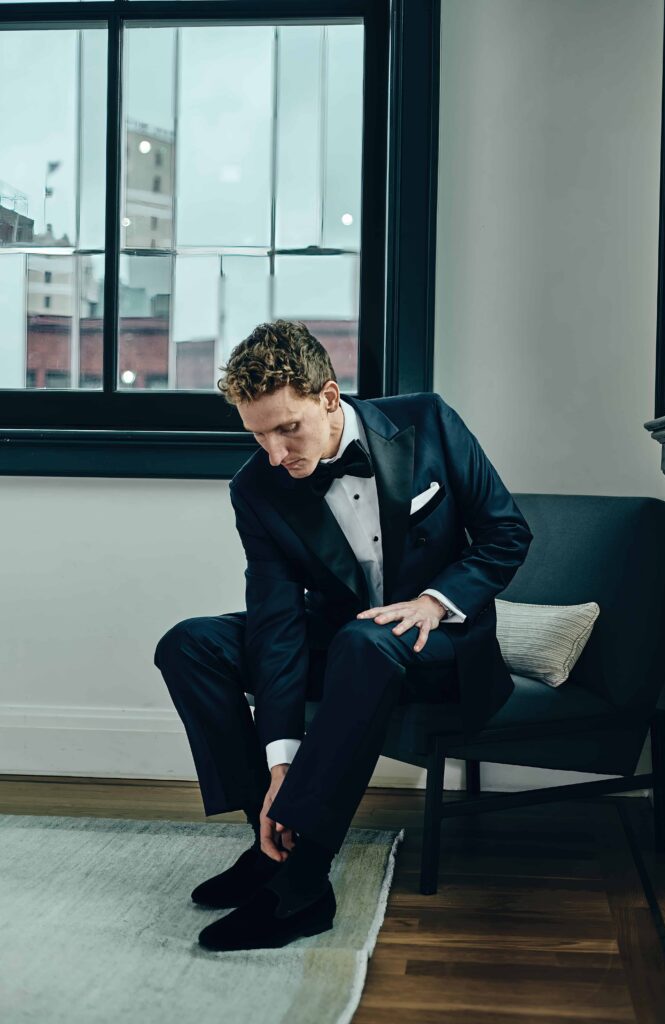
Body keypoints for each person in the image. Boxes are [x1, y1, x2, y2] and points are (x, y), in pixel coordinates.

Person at [154, 319, 533, 952]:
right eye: (258, 435)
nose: (276, 454)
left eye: (288, 429)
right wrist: (281, 762)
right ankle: (270, 846)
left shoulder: (430, 421)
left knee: (365, 640)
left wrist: (434, 604)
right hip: (347, 646)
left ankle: (303, 886)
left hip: (441, 651)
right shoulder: (256, 487)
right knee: (189, 643)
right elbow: (275, 623)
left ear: (330, 398)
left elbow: (506, 534)